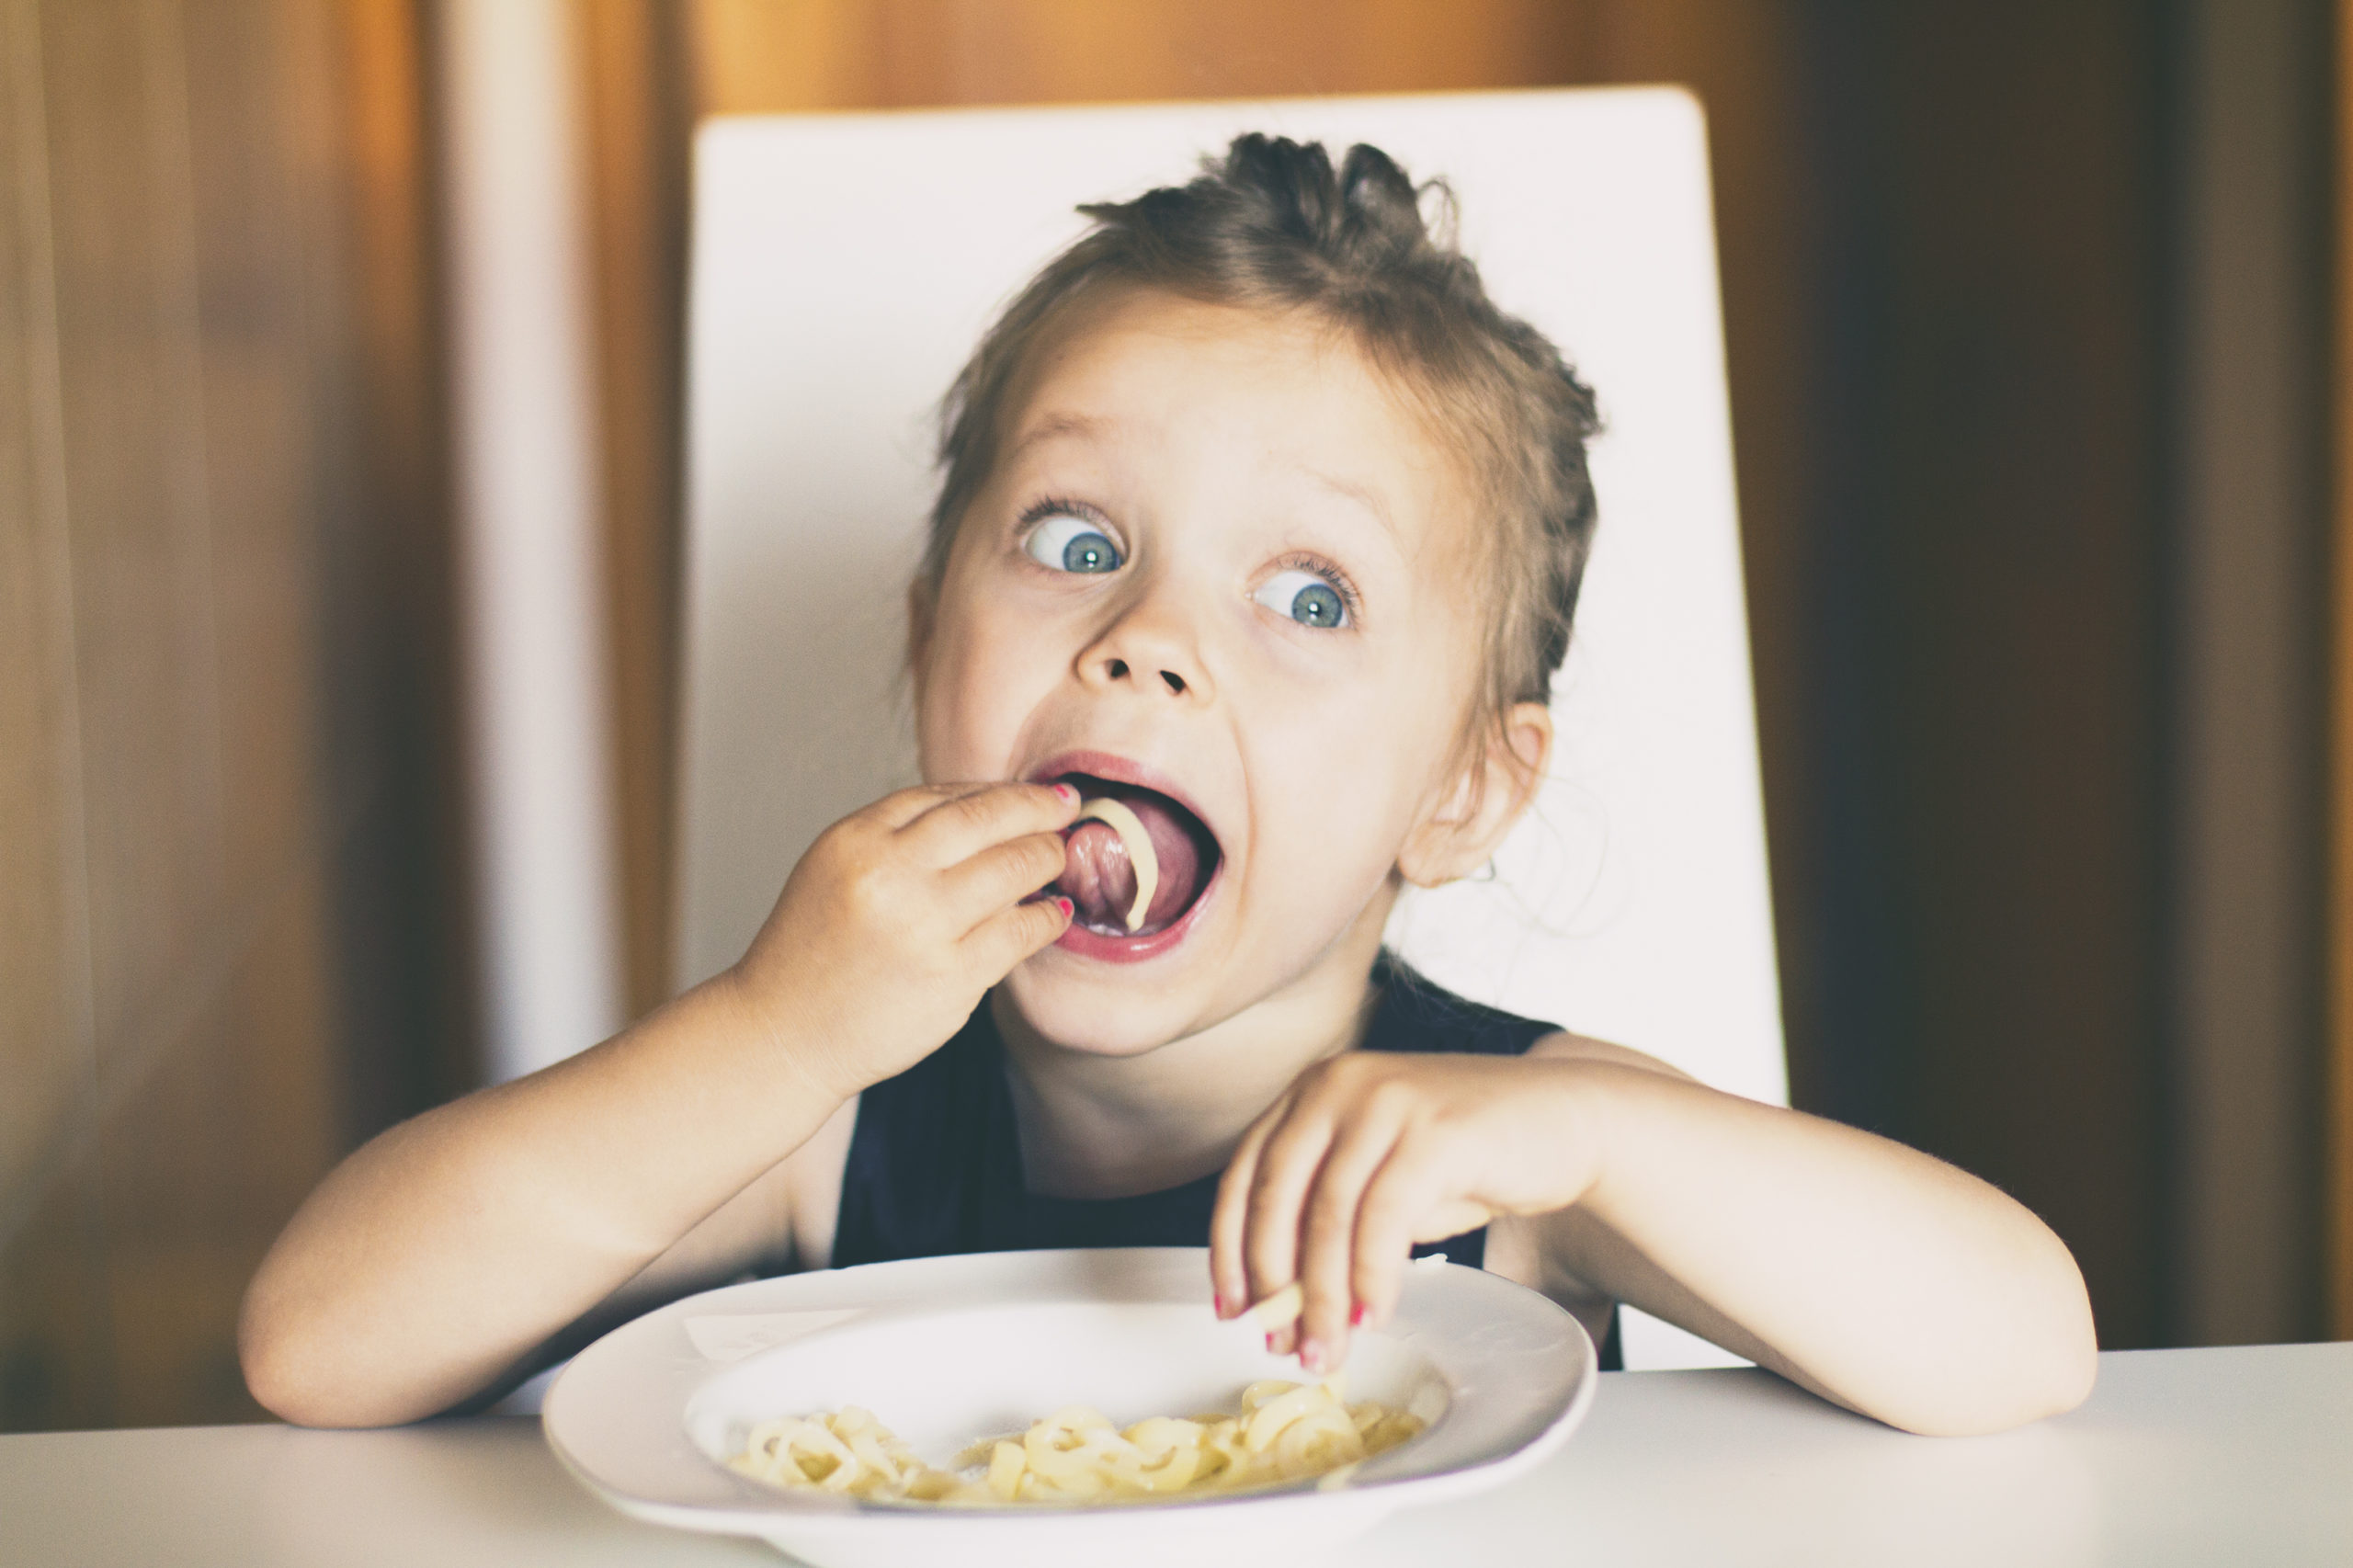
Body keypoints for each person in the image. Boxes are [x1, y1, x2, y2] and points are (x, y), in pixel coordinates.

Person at [239, 134, 2096, 1437]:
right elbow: (315, 1342)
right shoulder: (827, 1121)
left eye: (1307, 595)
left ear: (1463, 788)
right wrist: (762, 1031)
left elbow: (2021, 1345)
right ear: (919, 645)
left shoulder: (1504, 1153)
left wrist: (1600, 1145)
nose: (1142, 641)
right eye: (1070, 540)